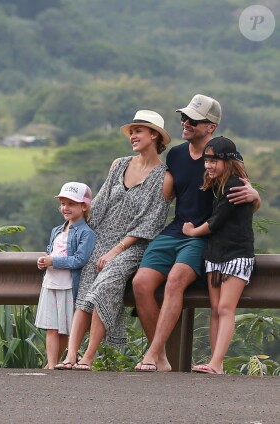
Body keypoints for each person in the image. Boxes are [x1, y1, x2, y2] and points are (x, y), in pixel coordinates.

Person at [133, 95, 260, 372]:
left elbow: (240, 197)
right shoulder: (176, 155)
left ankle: (152, 354)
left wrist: (255, 196)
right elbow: (159, 194)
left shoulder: (223, 157)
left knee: (176, 279)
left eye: (194, 120)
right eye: (184, 118)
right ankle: (163, 357)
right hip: (175, 230)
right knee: (141, 283)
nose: (186, 123)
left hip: (204, 237)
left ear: (211, 126)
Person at [55, 110, 173, 371]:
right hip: (102, 236)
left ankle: (89, 356)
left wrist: (116, 250)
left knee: (105, 284)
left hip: (133, 246)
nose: (132, 136)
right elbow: (99, 204)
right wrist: (72, 231)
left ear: (154, 135)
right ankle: (70, 356)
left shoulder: (164, 178)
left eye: (138, 131)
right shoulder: (119, 164)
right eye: (131, 131)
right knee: (85, 288)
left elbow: (151, 223)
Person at [182, 137, 254, 375]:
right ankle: (216, 364)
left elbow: (215, 222)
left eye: (214, 160)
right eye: (207, 160)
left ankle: (215, 363)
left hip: (236, 255)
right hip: (215, 254)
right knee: (216, 309)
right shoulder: (218, 184)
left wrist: (192, 232)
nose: (208, 165)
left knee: (224, 308)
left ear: (228, 161)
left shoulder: (234, 184)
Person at [35, 182, 96, 369]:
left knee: (64, 329)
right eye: (63, 203)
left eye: (71, 204)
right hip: (50, 283)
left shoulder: (87, 233)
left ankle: (57, 363)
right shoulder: (56, 231)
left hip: (68, 286)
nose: (65, 208)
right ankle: (51, 365)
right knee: (51, 328)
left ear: (84, 206)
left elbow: (79, 260)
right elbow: (52, 252)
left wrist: (54, 262)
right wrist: (44, 261)